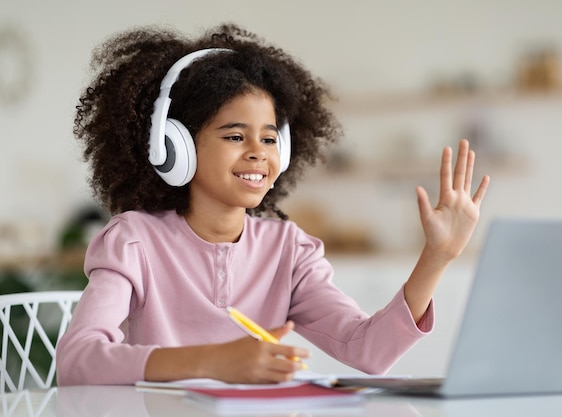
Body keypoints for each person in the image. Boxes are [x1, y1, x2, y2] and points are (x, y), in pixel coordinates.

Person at [56, 23, 489, 386]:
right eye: (233, 136)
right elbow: (78, 360)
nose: (257, 152)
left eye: (268, 138)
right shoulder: (134, 240)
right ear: (174, 149)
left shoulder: (289, 251)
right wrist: (212, 361)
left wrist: (437, 257)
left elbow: (368, 351)